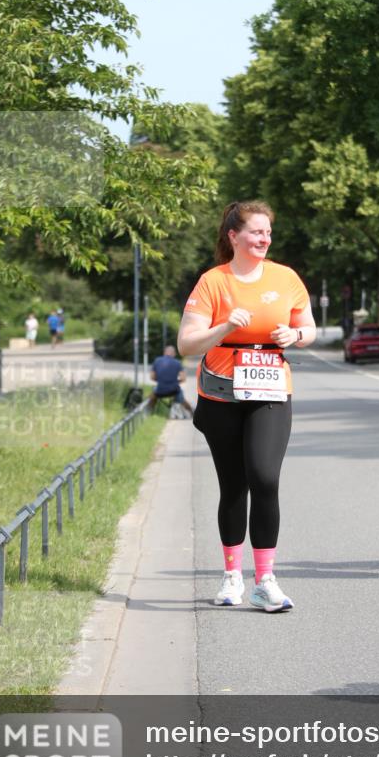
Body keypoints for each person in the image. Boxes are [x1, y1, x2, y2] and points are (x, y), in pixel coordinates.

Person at [177, 201, 316, 612]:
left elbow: (310, 327)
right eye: (256, 232)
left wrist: (296, 336)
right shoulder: (212, 282)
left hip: (271, 391)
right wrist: (225, 327)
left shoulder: (286, 277)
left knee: (264, 476)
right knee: (233, 485)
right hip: (221, 393)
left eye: (268, 232)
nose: (264, 239)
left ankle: (266, 580)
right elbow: (187, 343)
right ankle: (232, 576)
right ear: (233, 236)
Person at [148, 345, 194, 416]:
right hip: (174, 391)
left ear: (164, 353)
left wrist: (161, 380)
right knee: (182, 398)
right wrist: (175, 381)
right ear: (174, 354)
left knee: (152, 394)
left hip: (160, 391)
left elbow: (152, 377)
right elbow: (183, 379)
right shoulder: (178, 363)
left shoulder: (157, 361)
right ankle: (192, 412)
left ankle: (150, 412)